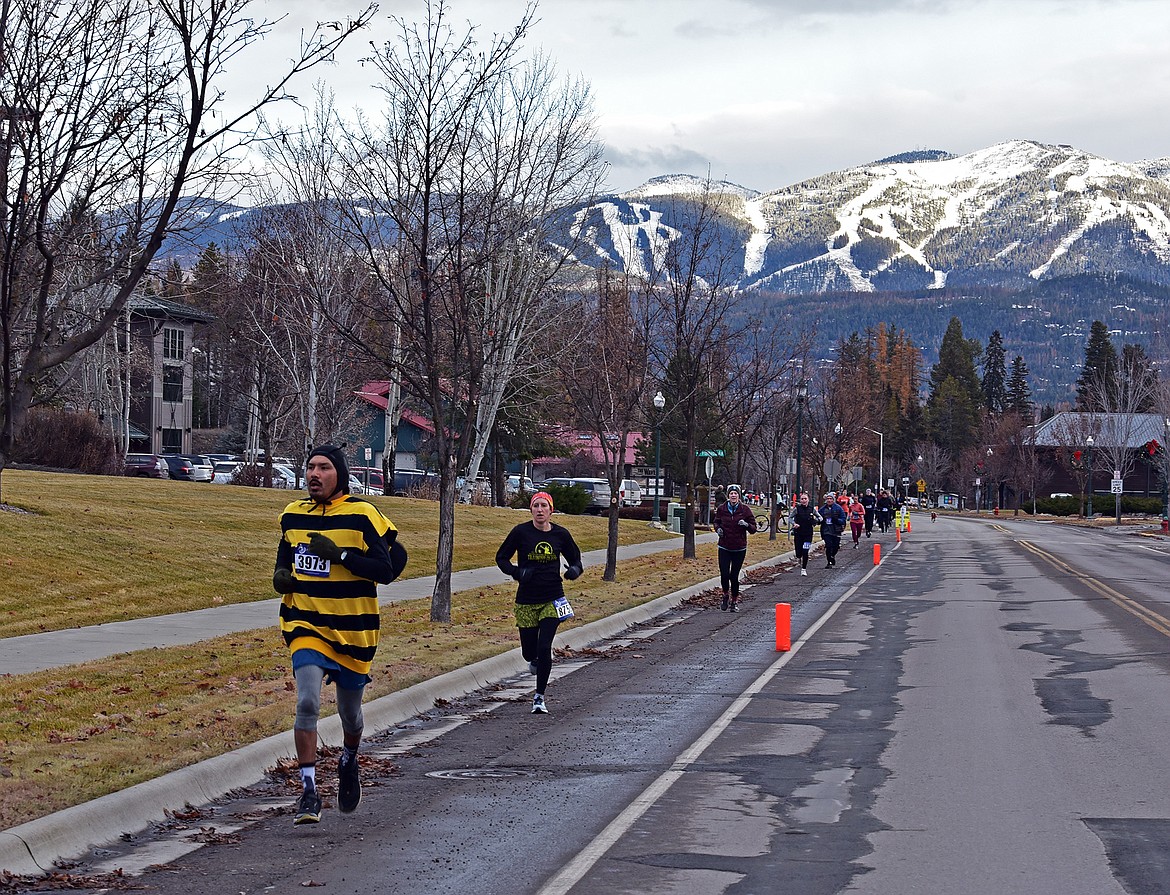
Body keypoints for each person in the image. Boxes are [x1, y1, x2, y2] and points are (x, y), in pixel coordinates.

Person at [273, 444, 408, 825]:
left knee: (350, 715)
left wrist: (341, 557)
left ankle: (349, 759)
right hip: (306, 622)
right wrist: (280, 575)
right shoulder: (292, 514)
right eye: (310, 467)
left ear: (340, 474)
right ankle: (309, 790)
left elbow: (386, 568)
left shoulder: (362, 515)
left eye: (324, 468)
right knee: (307, 703)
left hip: (354, 628)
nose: (314, 474)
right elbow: (286, 555)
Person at [496, 491, 583, 716]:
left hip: (553, 597)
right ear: (531, 510)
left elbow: (576, 559)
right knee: (529, 652)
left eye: (544, 506)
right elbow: (501, 558)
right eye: (536, 506)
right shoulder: (520, 532)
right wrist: (517, 572)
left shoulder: (561, 535)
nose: (540, 510)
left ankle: (539, 697)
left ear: (551, 510)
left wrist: (574, 570)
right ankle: (534, 659)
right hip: (526, 599)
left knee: (544, 647)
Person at [712, 484, 756, 611]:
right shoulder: (722, 508)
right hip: (724, 546)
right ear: (728, 495)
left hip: (739, 547)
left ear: (738, 496)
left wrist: (746, 524)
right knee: (724, 574)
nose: (733, 495)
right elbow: (716, 521)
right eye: (731, 493)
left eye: (735, 493)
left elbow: (753, 528)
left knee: (734, 576)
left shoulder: (745, 510)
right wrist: (718, 529)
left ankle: (734, 601)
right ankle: (725, 595)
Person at [790, 492, 818, 576]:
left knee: (805, 551)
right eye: (802, 499)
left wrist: (816, 521)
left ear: (808, 500)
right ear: (800, 500)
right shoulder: (797, 509)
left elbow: (820, 517)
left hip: (808, 534)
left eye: (805, 499)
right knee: (799, 552)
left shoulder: (812, 509)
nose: (804, 500)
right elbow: (790, 518)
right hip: (798, 533)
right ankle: (799, 557)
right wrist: (794, 524)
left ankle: (803, 569)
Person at [818, 492, 847, 567]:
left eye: (831, 499)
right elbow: (818, 518)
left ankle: (832, 556)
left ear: (833, 500)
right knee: (829, 545)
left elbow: (843, 519)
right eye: (828, 499)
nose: (829, 500)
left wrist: (837, 520)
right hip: (826, 530)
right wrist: (818, 521)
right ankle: (829, 562)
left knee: (836, 546)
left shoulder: (838, 508)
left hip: (836, 530)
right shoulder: (822, 509)